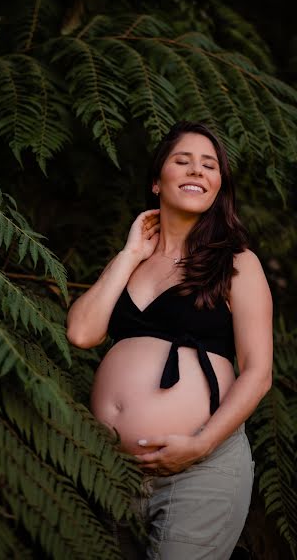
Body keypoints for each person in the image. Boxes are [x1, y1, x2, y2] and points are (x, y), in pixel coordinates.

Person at [66, 121, 273, 559]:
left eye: (209, 165)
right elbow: (82, 333)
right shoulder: (133, 261)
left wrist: (201, 444)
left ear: (219, 185)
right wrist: (129, 254)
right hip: (112, 472)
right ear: (157, 182)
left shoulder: (237, 263)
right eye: (183, 161)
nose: (197, 171)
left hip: (202, 465)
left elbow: (258, 373)